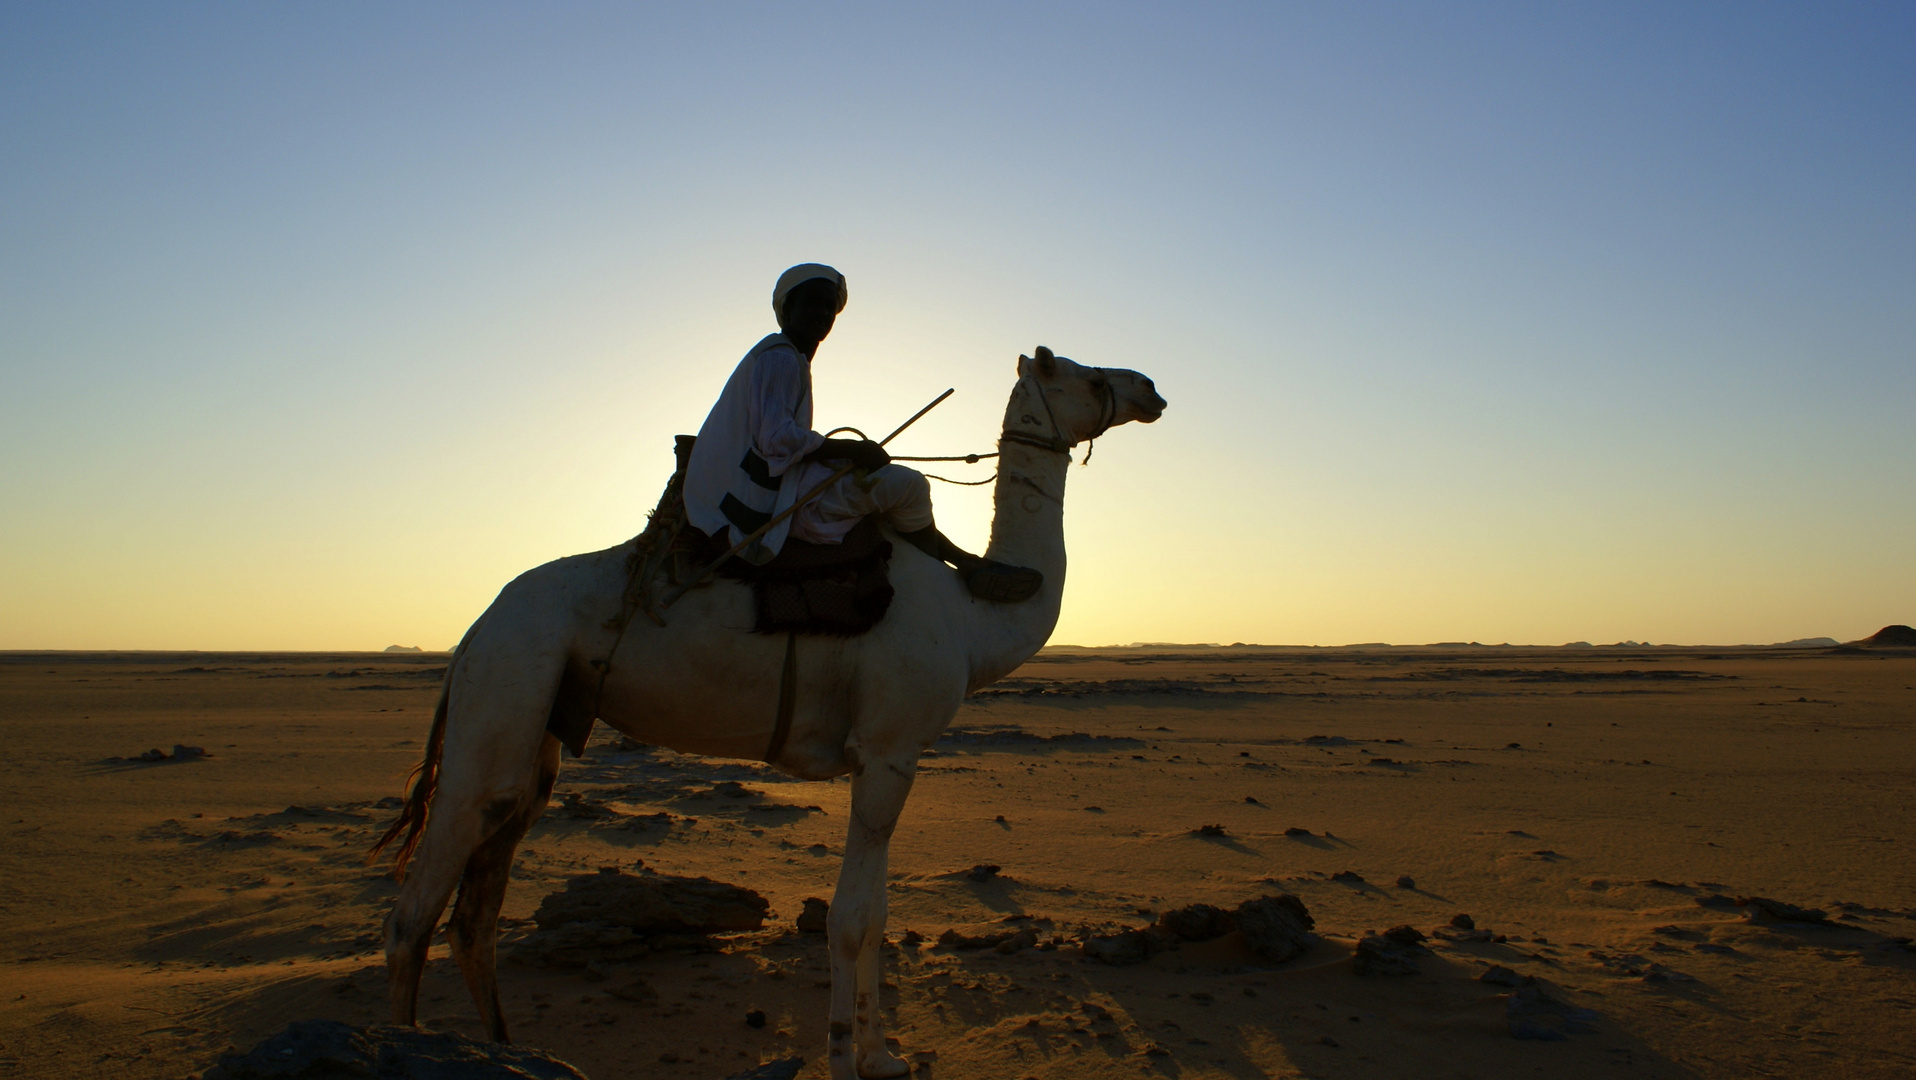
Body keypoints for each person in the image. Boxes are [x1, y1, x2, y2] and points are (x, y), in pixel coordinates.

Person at [684, 263, 1042, 602]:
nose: (823, 314)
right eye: (813, 303)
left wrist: (843, 452)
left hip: (750, 485)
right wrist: (852, 451)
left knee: (881, 485)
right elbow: (776, 438)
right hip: (754, 501)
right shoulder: (780, 357)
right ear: (788, 307)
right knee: (909, 486)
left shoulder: (782, 357)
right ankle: (946, 580)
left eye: (830, 307)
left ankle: (966, 562)